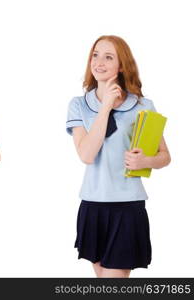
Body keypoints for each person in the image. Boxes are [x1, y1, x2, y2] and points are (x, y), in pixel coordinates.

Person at [66, 35, 170, 278]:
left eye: (108, 57)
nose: (99, 62)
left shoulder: (143, 105)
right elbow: (87, 154)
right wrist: (106, 108)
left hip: (127, 206)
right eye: (95, 55)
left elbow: (164, 156)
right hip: (93, 204)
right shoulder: (78, 105)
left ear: (121, 65)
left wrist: (146, 161)